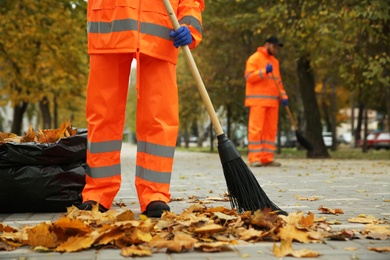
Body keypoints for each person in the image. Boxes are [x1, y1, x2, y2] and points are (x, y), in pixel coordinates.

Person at [77, 0, 205, 218]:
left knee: (159, 117)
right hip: (108, 26)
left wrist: (190, 28)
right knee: (102, 115)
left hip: (162, 32)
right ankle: (97, 193)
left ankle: (154, 194)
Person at [244, 36, 288, 167]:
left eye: (277, 48)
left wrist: (283, 96)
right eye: (274, 47)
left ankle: (267, 158)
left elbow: (278, 81)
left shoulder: (275, 62)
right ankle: (255, 158)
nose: (276, 50)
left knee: (270, 130)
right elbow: (249, 77)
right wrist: (264, 71)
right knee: (256, 130)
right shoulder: (254, 58)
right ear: (267, 45)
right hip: (257, 101)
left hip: (273, 102)